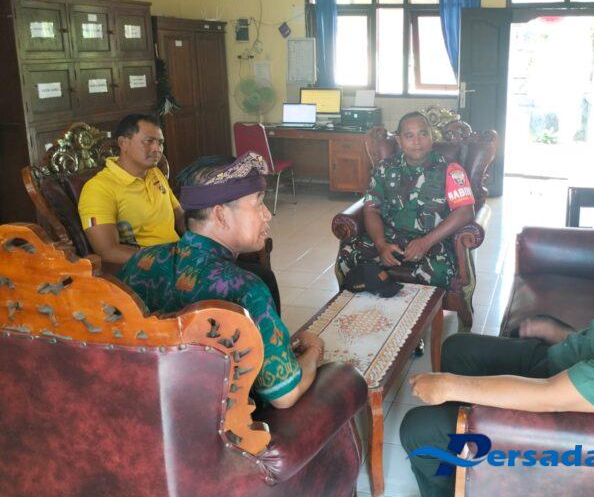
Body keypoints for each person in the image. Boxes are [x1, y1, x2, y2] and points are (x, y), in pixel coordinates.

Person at [400, 196, 594, 497]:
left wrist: (450, 386)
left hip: (566, 411)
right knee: (458, 348)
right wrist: (559, 332)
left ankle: (457, 463)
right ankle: (464, 461)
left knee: (420, 428)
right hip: (565, 365)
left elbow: (549, 395)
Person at [119, 152, 324, 408]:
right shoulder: (245, 289)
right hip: (219, 425)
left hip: (142, 410)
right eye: (258, 203)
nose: (267, 214)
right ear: (220, 215)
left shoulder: (141, 261)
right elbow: (284, 396)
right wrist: (315, 350)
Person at [337, 112, 475, 287]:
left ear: (431, 136)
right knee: (348, 255)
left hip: (433, 242)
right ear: (399, 140)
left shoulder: (451, 169)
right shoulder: (384, 168)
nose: (417, 141)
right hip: (390, 238)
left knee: (439, 272)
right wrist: (381, 245)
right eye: (409, 136)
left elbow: (465, 211)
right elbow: (371, 209)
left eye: (423, 134)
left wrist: (425, 242)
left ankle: (418, 305)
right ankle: (376, 299)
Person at [78, 114, 183, 267]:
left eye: (160, 142)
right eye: (149, 141)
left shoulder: (154, 172)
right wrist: (165, 260)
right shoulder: (98, 188)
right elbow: (108, 251)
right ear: (123, 143)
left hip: (179, 256)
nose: (157, 149)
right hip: (145, 267)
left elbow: (179, 216)